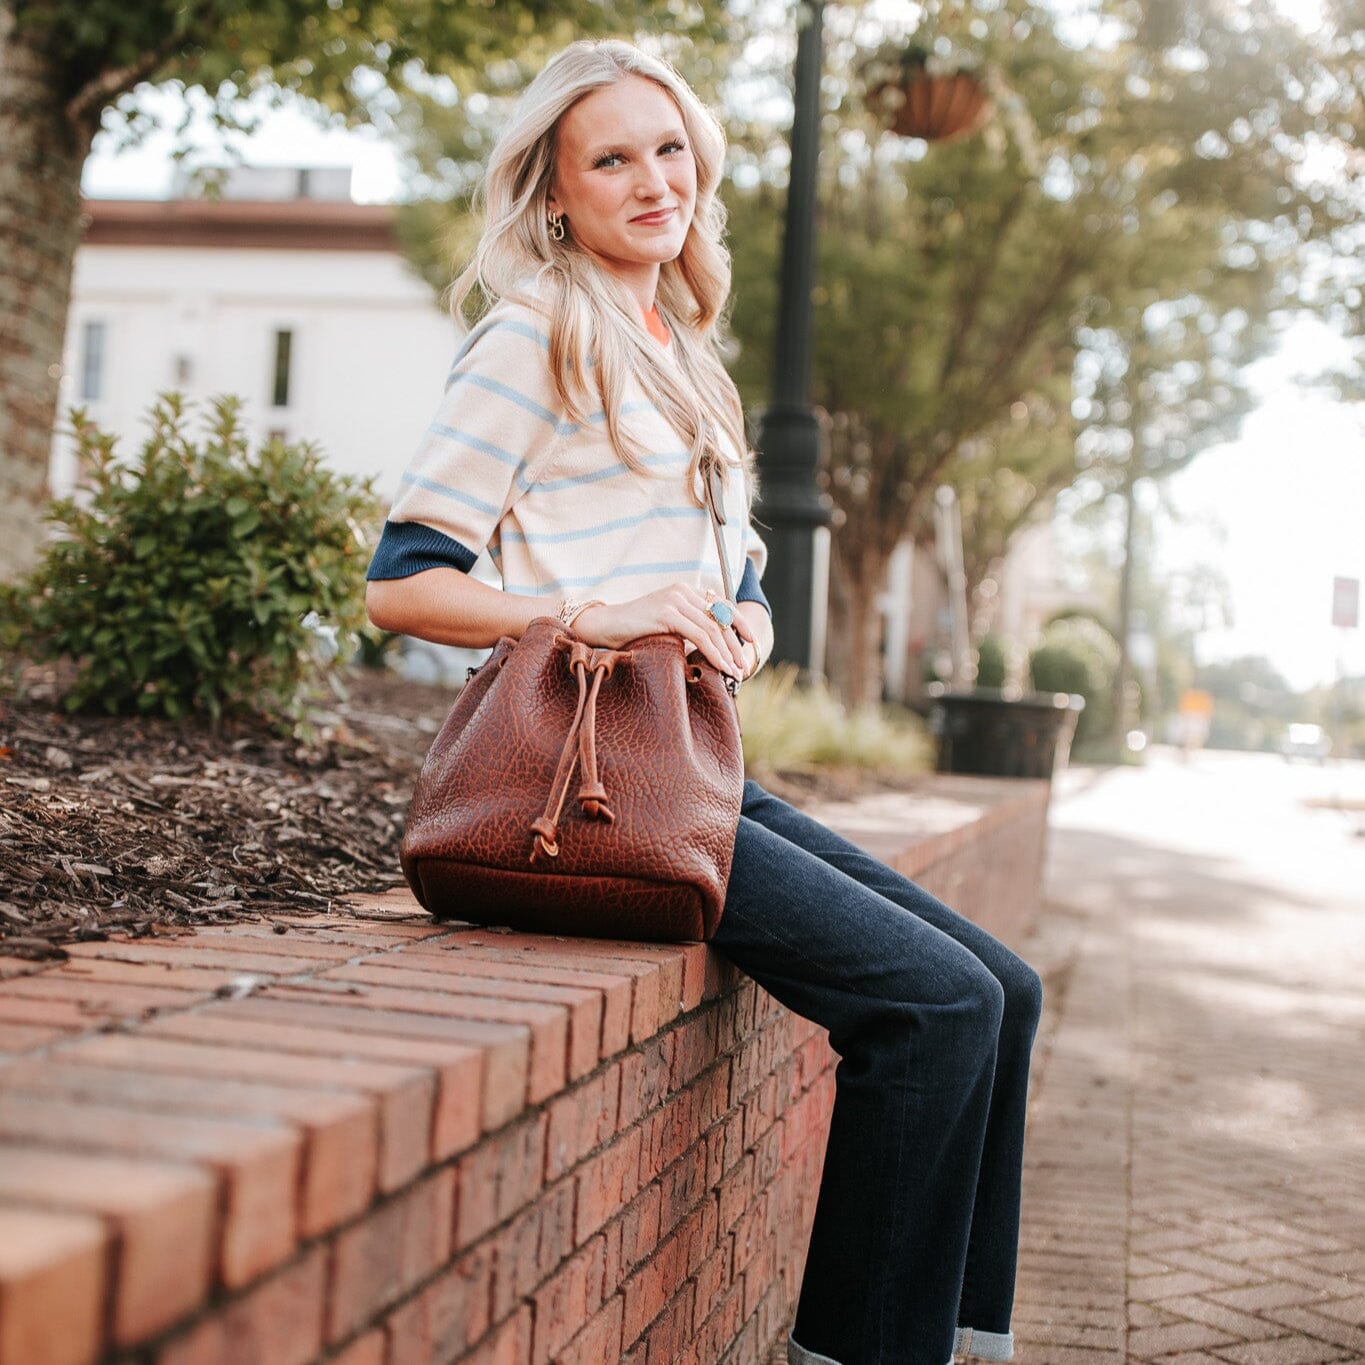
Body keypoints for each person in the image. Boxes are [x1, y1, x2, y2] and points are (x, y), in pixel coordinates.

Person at [365, 39, 1044, 1365]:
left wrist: (745, 618)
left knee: (1001, 989)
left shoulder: (688, 352)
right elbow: (404, 586)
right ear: (554, 194)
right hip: (586, 775)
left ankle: (964, 1341)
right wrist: (582, 614)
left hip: (688, 750)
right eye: (610, 157)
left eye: (666, 147)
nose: (651, 178)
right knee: (932, 1006)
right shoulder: (533, 335)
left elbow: (739, 575)